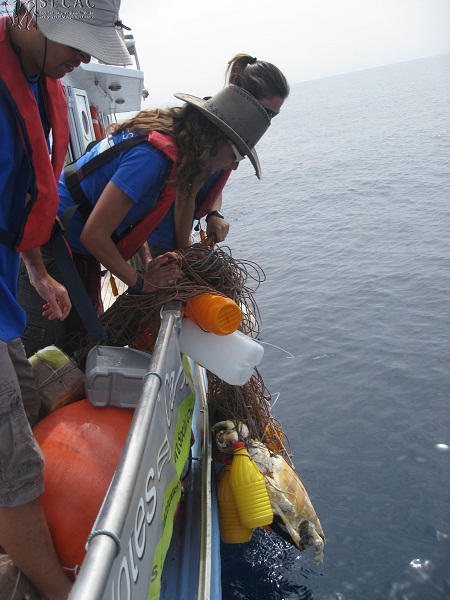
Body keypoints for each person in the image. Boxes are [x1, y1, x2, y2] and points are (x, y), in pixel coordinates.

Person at [0, 0, 132, 597]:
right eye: (79, 42)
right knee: (14, 469)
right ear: (34, 17)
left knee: (26, 408)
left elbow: (20, 198)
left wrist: (36, 271)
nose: (83, 57)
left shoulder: (36, 79)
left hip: (6, 296)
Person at [18, 84, 271, 355]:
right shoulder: (150, 159)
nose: (233, 166)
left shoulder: (171, 151)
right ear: (213, 138)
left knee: (71, 344)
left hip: (74, 252)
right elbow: (93, 235)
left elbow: (130, 219)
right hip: (51, 248)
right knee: (43, 353)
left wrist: (148, 261)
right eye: (236, 155)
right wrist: (142, 283)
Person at [145, 53, 290, 260]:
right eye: (268, 112)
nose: (268, 121)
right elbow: (186, 197)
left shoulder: (237, 132)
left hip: (175, 235)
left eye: (274, 115)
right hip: (158, 240)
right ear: (247, 99)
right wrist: (186, 255)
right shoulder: (213, 133)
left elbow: (214, 179)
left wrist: (214, 212)